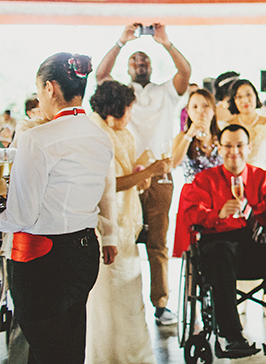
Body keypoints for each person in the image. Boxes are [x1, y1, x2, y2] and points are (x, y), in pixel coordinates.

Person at [0, 53, 116, 364]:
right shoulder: (99, 136)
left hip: (43, 260)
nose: (39, 97)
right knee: (70, 346)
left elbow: (22, 215)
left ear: (50, 88)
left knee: (43, 352)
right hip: (84, 252)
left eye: (39, 90)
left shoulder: (36, 139)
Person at [94, 22, 191, 326]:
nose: (140, 63)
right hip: (125, 175)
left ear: (151, 65)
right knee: (121, 237)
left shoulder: (166, 92)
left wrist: (165, 42)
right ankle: (121, 303)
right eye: (134, 60)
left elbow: (185, 73)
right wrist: (122, 41)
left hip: (160, 174)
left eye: (144, 59)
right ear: (128, 68)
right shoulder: (121, 95)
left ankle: (161, 305)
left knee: (158, 243)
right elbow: (99, 75)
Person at [174, 124, 266, 358]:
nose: (233, 151)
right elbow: (191, 213)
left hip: (254, 247)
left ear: (248, 148)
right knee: (220, 251)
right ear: (219, 148)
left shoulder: (263, 178)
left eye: (239, 146)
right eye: (227, 146)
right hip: (220, 249)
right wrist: (217, 214)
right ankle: (231, 334)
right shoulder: (204, 180)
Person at [85, 80, 164, 363]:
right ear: (115, 111)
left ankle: (131, 355)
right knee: (109, 300)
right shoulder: (97, 134)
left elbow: (127, 176)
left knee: (129, 298)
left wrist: (140, 176)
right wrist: (151, 170)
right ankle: (109, 356)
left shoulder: (120, 133)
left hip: (126, 226)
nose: (130, 116)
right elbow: (109, 185)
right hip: (106, 227)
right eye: (129, 109)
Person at [221, 78, 266, 171]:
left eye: (248, 94)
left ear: (255, 95)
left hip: (261, 179)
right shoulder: (227, 126)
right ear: (234, 100)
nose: (245, 100)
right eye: (239, 97)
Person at [177, 89, 225, 180]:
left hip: (219, 191)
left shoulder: (223, 137)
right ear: (189, 112)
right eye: (195, 107)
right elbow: (173, 164)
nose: (200, 111)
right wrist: (190, 134)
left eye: (205, 106)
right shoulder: (182, 137)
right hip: (193, 192)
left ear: (213, 110)